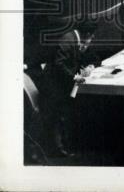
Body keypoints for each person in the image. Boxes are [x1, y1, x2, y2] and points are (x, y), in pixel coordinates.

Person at [39, 19, 98, 156]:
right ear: (87, 33)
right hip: (52, 86)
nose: (93, 37)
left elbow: (87, 59)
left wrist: (89, 66)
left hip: (60, 84)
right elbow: (59, 64)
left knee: (69, 110)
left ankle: (65, 145)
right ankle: (58, 148)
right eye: (92, 35)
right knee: (60, 113)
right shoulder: (68, 40)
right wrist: (74, 77)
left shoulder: (76, 40)